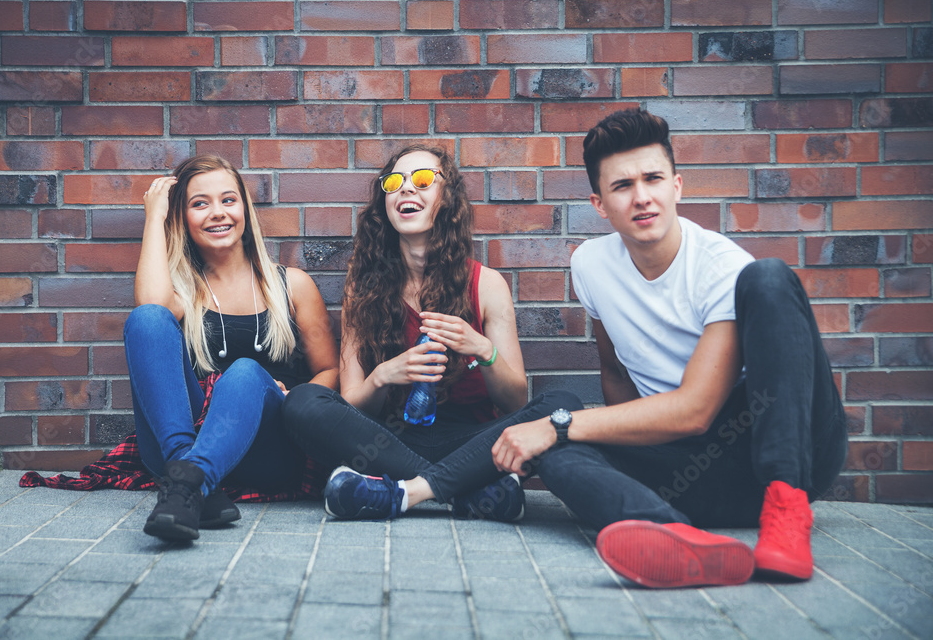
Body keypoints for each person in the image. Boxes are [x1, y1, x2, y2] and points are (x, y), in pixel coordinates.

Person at [491, 110, 848, 587]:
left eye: (653, 179)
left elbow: (695, 411)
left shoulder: (721, 267)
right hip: (700, 474)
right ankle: (673, 535)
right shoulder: (590, 266)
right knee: (558, 451)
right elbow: (614, 372)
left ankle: (786, 510)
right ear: (599, 204)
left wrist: (558, 424)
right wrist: (571, 437)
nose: (642, 197)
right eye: (622, 186)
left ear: (676, 185)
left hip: (786, 447)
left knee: (768, 278)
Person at [283, 144, 581, 522]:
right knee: (303, 402)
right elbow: (353, 403)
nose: (407, 189)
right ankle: (467, 491)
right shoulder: (363, 289)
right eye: (394, 182)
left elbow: (515, 402)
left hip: (472, 442)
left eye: (423, 180)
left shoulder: (486, 285)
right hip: (391, 440)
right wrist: (384, 375)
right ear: (385, 204)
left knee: (562, 405)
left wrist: (482, 348)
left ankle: (407, 492)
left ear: (448, 198)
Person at [125, 154, 338, 542]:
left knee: (244, 372)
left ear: (244, 208)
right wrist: (155, 217)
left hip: (265, 450)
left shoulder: (292, 285)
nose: (217, 213)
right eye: (199, 203)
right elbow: (150, 307)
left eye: (228, 200)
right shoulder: (180, 290)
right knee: (146, 320)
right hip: (186, 433)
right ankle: (187, 476)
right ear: (182, 218)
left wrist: (296, 394)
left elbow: (331, 370)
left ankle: (186, 482)